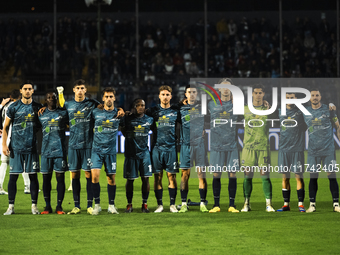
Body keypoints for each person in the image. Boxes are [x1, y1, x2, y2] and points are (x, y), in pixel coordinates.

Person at [3, 81, 42, 215]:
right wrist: (4, 144)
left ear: (33, 91)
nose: (27, 91)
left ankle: (34, 206)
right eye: (25, 89)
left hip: (31, 148)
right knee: (13, 177)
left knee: (33, 177)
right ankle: (11, 207)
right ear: (20, 90)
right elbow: (6, 127)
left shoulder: (38, 107)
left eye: (30, 89)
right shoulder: (13, 107)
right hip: (16, 147)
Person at [303, 88, 340, 213]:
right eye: (312, 95)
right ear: (309, 98)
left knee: (331, 176)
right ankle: (312, 205)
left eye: (317, 95)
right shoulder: (305, 111)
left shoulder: (328, 110)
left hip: (328, 149)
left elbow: (337, 126)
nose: (314, 97)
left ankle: (336, 204)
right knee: (313, 177)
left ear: (320, 96)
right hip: (313, 150)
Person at [241, 84, 276, 212]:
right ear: (252, 94)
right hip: (248, 147)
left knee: (265, 175)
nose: (257, 95)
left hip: (263, 147)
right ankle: (246, 204)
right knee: (247, 176)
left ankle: (268, 204)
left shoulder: (268, 109)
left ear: (263, 94)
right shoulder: (244, 109)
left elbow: (277, 119)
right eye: (255, 93)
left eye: (260, 93)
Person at [208, 79, 241, 213]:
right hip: (216, 145)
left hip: (232, 145)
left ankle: (232, 205)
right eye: (223, 87)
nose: (226, 89)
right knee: (216, 174)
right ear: (219, 89)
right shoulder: (211, 104)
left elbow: (253, 110)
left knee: (232, 174)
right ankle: (216, 205)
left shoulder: (237, 104)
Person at [146, 85, 180, 213]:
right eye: (163, 94)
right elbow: (138, 113)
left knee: (171, 176)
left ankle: (172, 204)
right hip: (157, 148)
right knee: (157, 177)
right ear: (159, 96)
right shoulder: (153, 112)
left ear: (171, 96)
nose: (165, 97)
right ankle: (159, 205)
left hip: (171, 148)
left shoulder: (176, 111)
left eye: (167, 95)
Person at [90, 88, 123, 215]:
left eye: (111, 96)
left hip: (110, 151)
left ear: (114, 98)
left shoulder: (119, 114)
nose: (109, 99)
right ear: (103, 99)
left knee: (111, 179)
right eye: (106, 96)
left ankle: (111, 205)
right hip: (96, 150)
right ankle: (97, 205)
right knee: (95, 177)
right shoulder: (95, 112)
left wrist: (122, 110)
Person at [178, 85, 209, 213]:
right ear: (185, 94)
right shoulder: (180, 108)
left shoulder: (203, 107)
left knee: (201, 174)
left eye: (194, 92)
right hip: (186, 145)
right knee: (185, 175)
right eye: (189, 92)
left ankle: (202, 203)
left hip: (200, 145)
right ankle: (184, 203)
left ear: (197, 94)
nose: (191, 94)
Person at [120, 98, 154, 213]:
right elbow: (122, 129)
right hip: (130, 155)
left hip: (144, 154)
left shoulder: (149, 120)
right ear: (134, 107)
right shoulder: (127, 119)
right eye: (138, 105)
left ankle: (144, 204)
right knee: (130, 180)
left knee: (146, 179)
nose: (141, 107)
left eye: (143, 105)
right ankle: (129, 204)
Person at [38, 90, 68, 214]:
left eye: (53, 97)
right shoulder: (40, 114)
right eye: (49, 97)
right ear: (46, 100)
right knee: (46, 180)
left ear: (56, 99)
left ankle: (59, 206)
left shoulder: (63, 113)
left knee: (60, 179)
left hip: (60, 152)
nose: (51, 99)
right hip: (45, 152)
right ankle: (47, 206)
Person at [276, 93, 306, 212]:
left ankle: (301, 204)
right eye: (287, 97)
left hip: (297, 149)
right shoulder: (278, 111)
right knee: (285, 178)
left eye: (292, 97)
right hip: (283, 150)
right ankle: (286, 204)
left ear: (296, 99)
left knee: (298, 177)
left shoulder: (301, 112)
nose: (289, 100)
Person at [0, 90, 31, 195]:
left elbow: (4, 123)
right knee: (24, 162)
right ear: (20, 96)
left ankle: (0, 187)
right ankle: (27, 186)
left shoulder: (5, 106)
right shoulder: (18, 106)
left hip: (5, 137)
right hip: (17, 138)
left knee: (4, 163)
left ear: (10, 96)